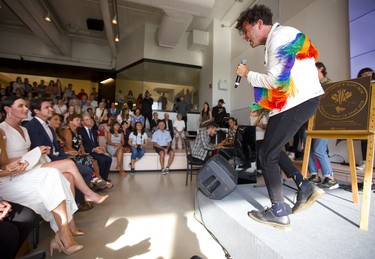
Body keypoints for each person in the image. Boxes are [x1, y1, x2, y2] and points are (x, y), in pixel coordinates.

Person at [235, 4, 325, 229]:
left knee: (266, 153)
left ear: (258, 24)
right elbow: (284, 79)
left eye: (246, 31)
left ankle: (278, 211)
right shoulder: (281, 36)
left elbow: (275, 80)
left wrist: (248, 74)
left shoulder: (279, 38)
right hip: (293, 102)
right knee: (268, 147)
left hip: (298, 101)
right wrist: (267, 107)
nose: (245, 36)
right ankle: (304, 186)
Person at [25, 98, 104, 211]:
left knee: (86, 170)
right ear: (37, 111)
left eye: (51, 107)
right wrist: (63, 161)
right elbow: (39, 151)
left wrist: (65, 158)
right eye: (46, 107)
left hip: (56, 159)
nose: (51, 109)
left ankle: (79, 201)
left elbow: (57, 148)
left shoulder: (49, 128)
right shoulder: (31, 126)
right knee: (84, 170)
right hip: (44, 162)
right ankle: (85, 197)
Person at [50, 113, 110, 190]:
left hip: (74, 154)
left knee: (92, 158)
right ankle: (95, 180)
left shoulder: (77, 131)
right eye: (77, 120)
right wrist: (78, 153)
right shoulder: (67, 131)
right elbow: (68, 147)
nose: (79, 121)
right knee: (89, 159)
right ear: (70, 121)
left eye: (80, 120)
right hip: (70, 155)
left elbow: (80, 144)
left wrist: (83, 152)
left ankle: (98, 179)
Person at [307, 62, 339, 189]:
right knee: (308, 149)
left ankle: (330, 178)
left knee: (319, 149)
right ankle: (314, 175)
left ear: (321, 69)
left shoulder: (330, 84)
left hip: (323, 122)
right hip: (310, 121)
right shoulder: (311, 85)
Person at [79, 114, 113, 184]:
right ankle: (99, 180)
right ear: (82, 122)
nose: (90, 121)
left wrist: (100, 148)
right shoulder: (80, 130)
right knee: (102, 160)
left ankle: (104, 179)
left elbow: (96, 143)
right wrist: (93, 149)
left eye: (90, 119)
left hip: (95, 151)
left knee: (108, 159)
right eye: (87, 119)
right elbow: (82, 144)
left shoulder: (94, 131)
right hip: (87, 152)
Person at [356, 67, 375, 171]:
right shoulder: (360, 87)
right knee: (364, 139)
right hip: (366, 116)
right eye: (364, 74)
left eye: (369, 73)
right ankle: (365, 161)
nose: (367, 75)